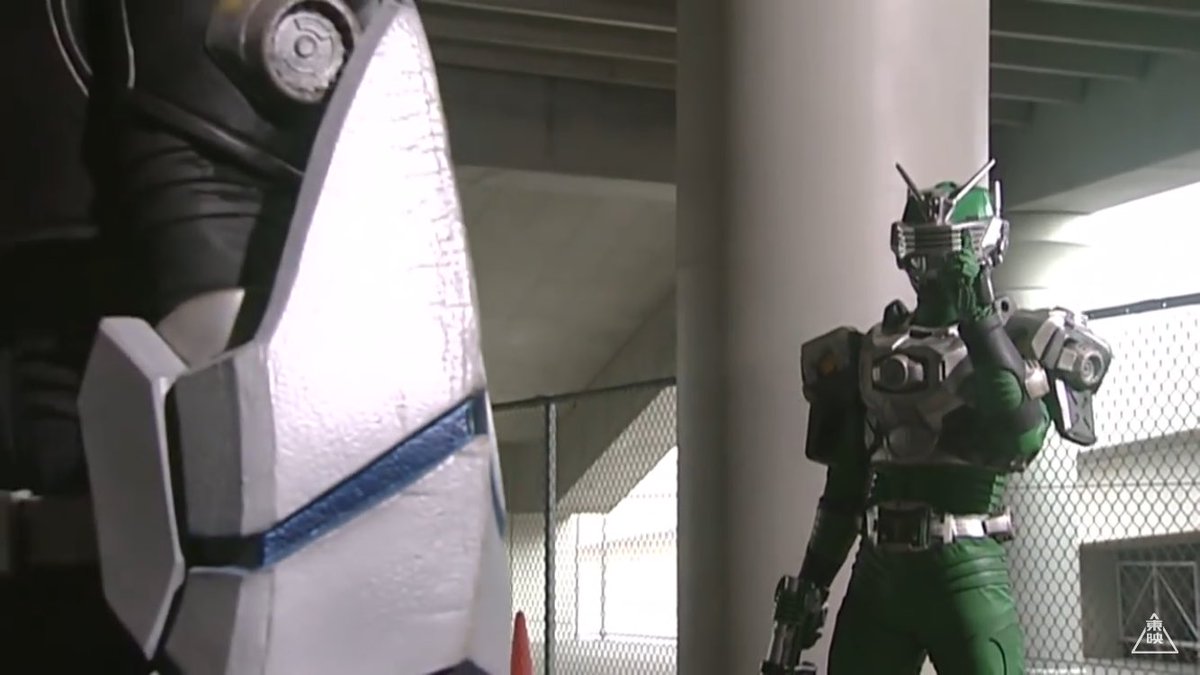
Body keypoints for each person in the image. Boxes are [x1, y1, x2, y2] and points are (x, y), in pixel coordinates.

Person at [763, 160, 1114, 674]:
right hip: (878, 574)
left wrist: (980, 318)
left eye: (947, 248)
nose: (932, 266)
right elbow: (844, 490)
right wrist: (810, 585)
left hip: (968, 573)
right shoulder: (869, 350)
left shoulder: (1020, 341)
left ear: (984, 247)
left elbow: (1020, 435)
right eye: (922, 246)